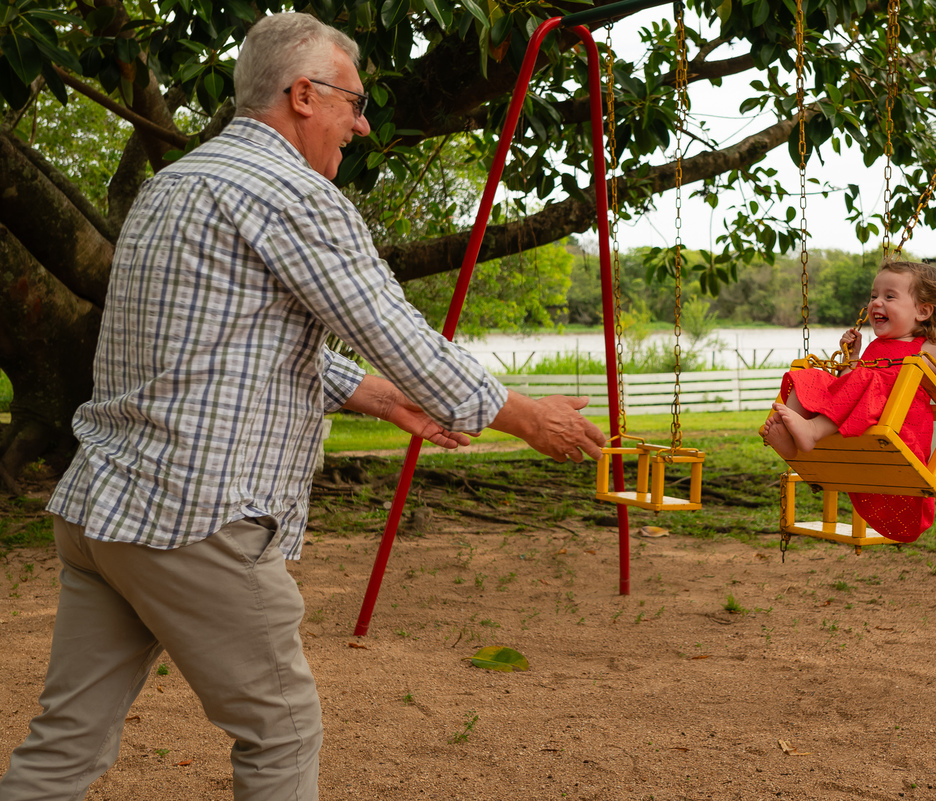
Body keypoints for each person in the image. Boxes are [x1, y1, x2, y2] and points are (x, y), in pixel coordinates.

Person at [0, 12, 605, 800]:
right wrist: (527, 417)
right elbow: (398, 332)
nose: (359, 123)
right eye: (351, 102)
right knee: (282, 731)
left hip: (102, 510)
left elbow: (212, 342)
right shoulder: (293, 195)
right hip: (197, 518)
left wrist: (380, 397)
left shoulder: (171, 185)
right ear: (301, 96)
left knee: (63, 747)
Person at [760, 259, 936, 542]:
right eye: (874, 295)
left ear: (923, 311)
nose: (876, 303)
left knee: (866, 378)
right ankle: (793, 435)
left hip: (901, 432)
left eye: (889, 296)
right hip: (865, 425)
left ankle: (810, 431)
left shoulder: (929, 350)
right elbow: (847, 391)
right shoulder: (875, 348)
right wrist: (853, 358)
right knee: (809, 375)